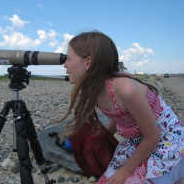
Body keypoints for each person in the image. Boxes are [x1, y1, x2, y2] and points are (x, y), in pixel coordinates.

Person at [61, 31, 184, 184]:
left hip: (166, 141)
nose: (64, 64)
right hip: (141, 138)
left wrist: (126, 170)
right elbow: (118, 114)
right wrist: (105, 136)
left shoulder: (125, 89)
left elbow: (153, 136)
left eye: (68, 58)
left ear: (88, 62)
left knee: (130, 179)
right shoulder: (94, 88)